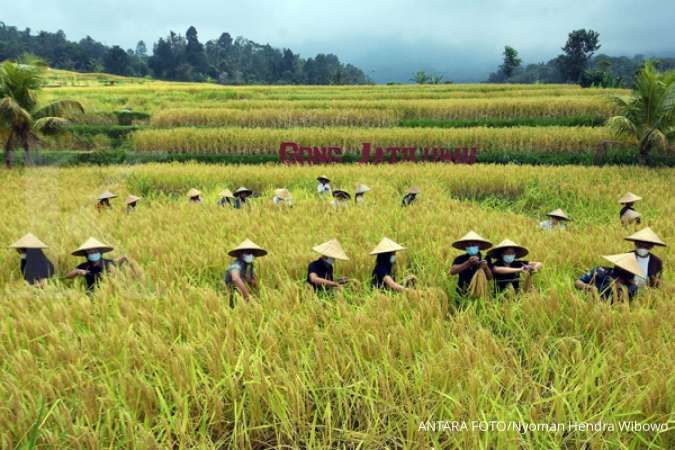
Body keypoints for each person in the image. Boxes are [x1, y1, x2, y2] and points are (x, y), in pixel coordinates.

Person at [575, 253, 644, 302]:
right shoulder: (601, 271)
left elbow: (623, 304)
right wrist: (589, 288)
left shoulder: (632, 286)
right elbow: (578, 282)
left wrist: (618, 290)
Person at [449, 231, 493, 296]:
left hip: (480, 292)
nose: (471, 247)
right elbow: (452, 271)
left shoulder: (485, 258)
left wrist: (486, 267)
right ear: (465, 247)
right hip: (462, 293)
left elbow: (490, 277)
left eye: (474, 245)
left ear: (479, 246)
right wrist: (468, 263)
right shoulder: (460, 258)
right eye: (468, 245)